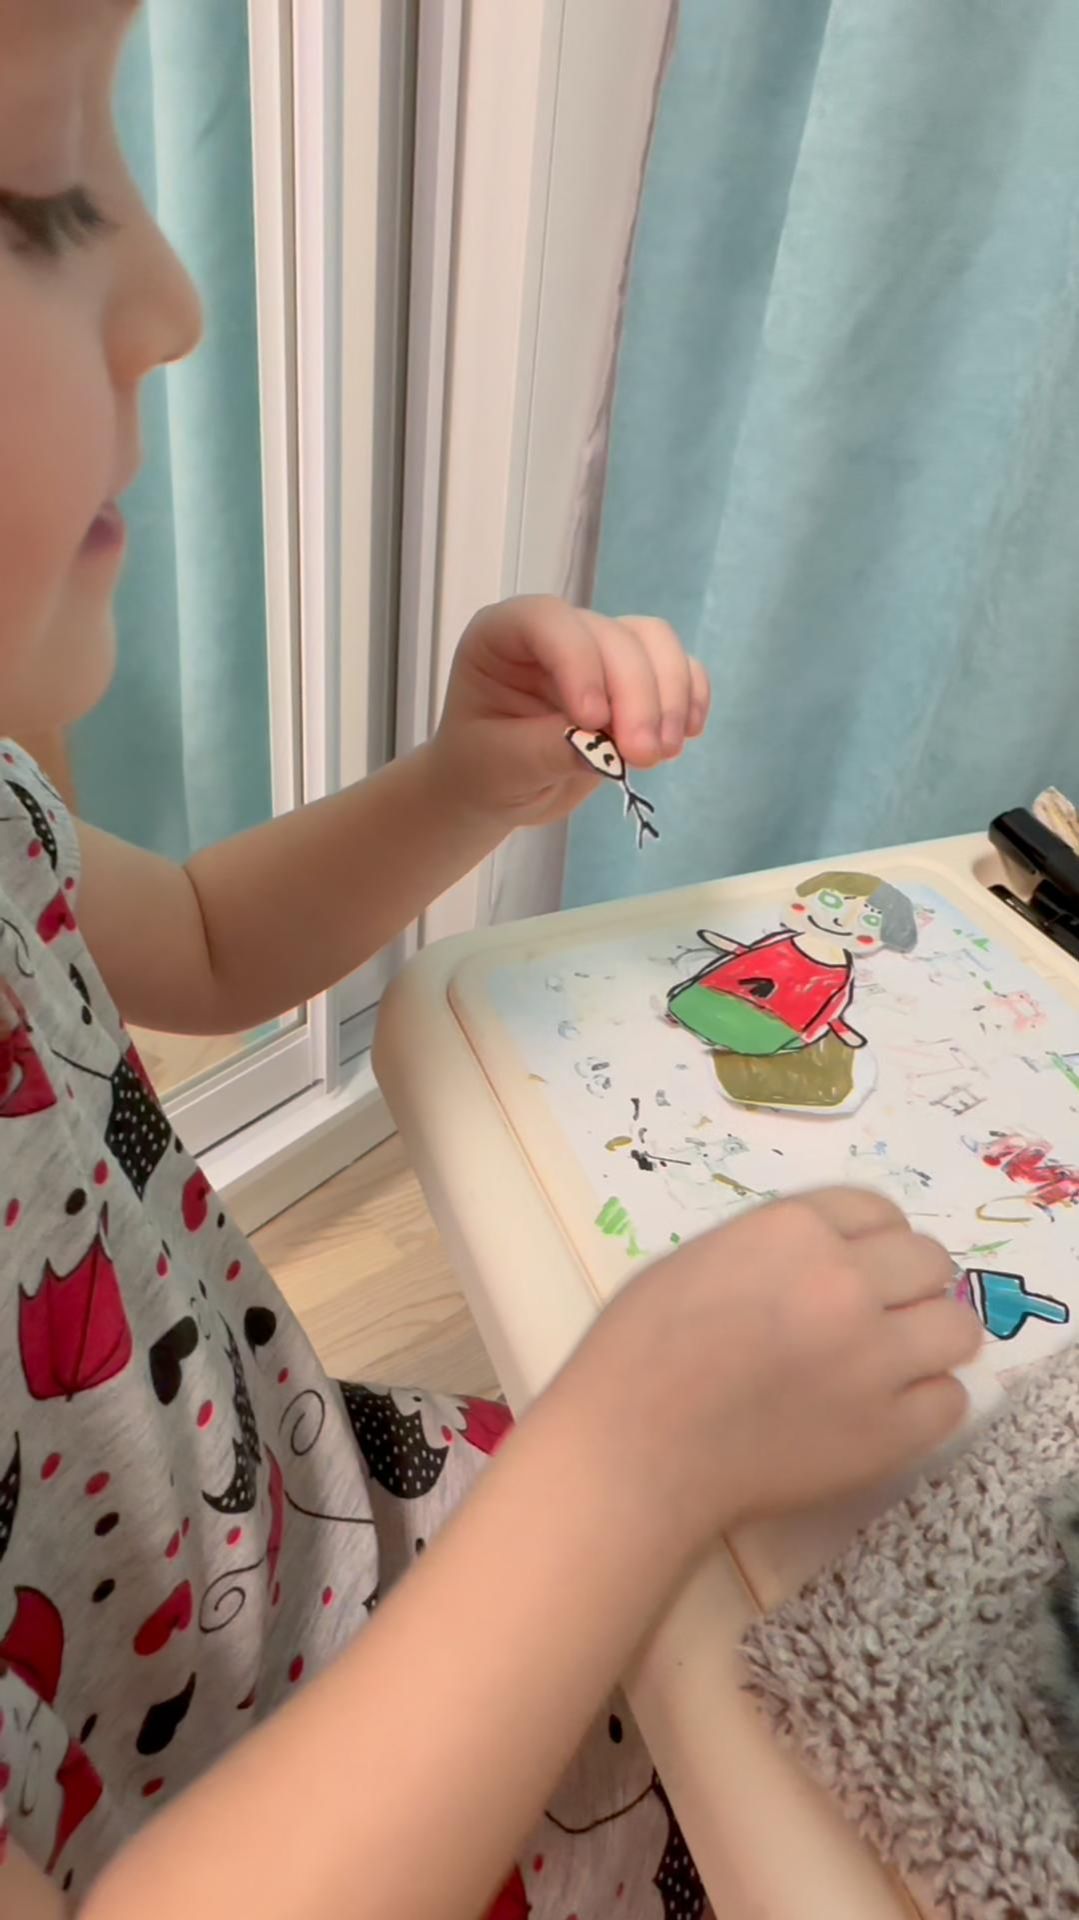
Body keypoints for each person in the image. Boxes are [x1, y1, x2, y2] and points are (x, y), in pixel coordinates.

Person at [0, 3, 981, 1917]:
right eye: (36, 196)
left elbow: (206, 939)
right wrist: (626, 1468)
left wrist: (464, 780)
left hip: (342, 1556)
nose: (176, 303)